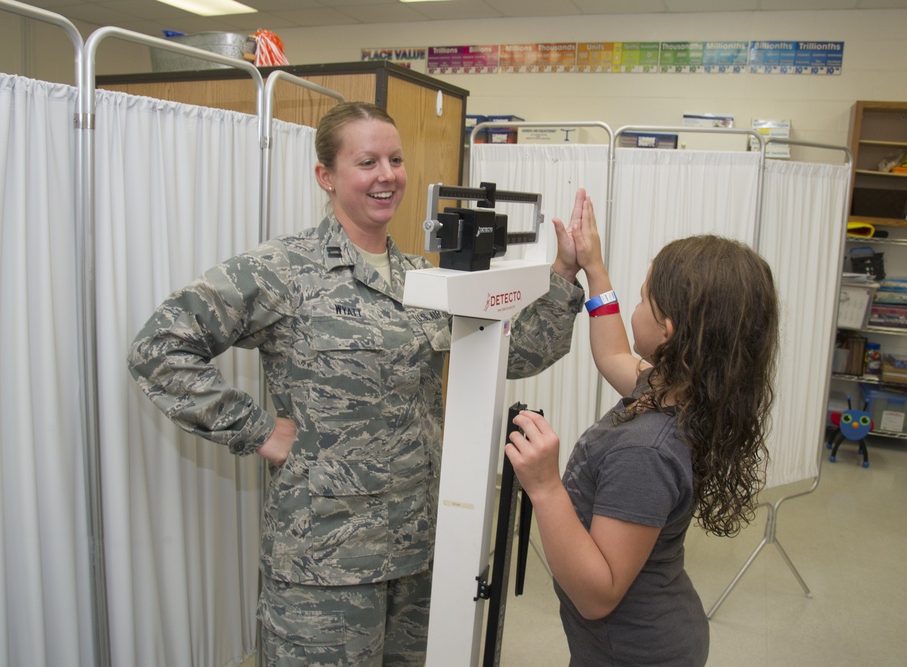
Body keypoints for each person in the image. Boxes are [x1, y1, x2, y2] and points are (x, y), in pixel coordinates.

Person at [127, 101, 587, 666]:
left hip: (417, 555)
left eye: (395, 159)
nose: (387, 175)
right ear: (326, 176)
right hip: (324, 564)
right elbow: (158, 349)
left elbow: (514, 354)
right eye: (367, 162)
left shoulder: (424, 278)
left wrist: (564, 274)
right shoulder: (281, 270)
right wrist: (258, 428)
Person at [505, 194, 779, 666]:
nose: (633, 304)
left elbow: (599, 594)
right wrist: (593, 268)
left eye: (642, 296)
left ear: (668, 330)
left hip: (636, 653)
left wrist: (546, 487)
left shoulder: (645, 451)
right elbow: (613, 354)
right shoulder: (680, 389)